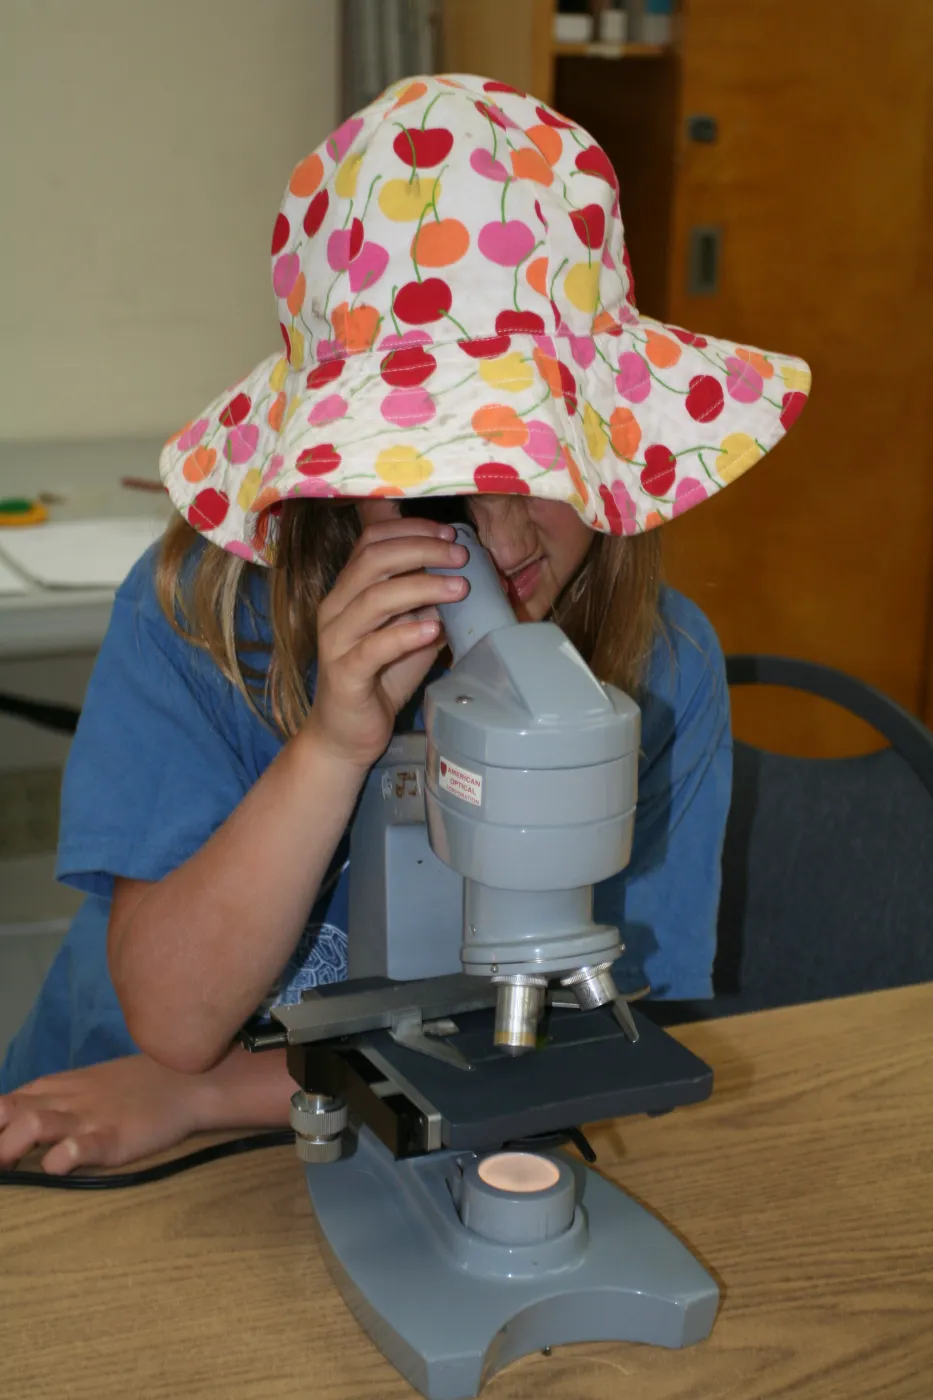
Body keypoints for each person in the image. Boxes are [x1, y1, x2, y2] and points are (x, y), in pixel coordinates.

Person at [0, 74, 810, 1173]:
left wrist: (206, 1097)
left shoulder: (663, 668)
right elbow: (176, 1025)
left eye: (539, 462)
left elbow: (583, 1022)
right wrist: (336, 745)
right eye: (436, 481)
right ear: (342, 479)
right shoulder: (198, 617)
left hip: (369, 1118)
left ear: (612, 442)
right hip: (113, 1130)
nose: (505, 533)